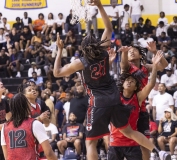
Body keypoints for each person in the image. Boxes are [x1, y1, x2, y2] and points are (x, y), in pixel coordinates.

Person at [53, 1, 170, 159]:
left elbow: (57, 72)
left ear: (83, 48)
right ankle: (159, 152)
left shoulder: (80, 62)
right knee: (129, 131)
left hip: (98, 101)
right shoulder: (103, 51)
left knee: (90, 142)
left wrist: (60, 50)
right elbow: (108, 28)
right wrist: (100, 6)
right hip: (115, 97)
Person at [117, 42, 168, 160]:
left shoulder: (146, 67)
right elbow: (123, 64)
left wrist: (155, 51)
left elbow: (163, 65)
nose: (131, 52)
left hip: (141, 107)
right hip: (126, 105)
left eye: (134, 50)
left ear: (140, 55)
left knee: (144, 142)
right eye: (130, 52)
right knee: (123, 140)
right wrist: (124, 52)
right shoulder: (127, 66)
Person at [109, 52, 161, 160]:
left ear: (136, 86)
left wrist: (155, 66)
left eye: (132, 81)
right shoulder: (116, 96)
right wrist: (109, 63)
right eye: (127, 80)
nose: (129, 82)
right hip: (115, 142)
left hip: (132, 143)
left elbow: (151, 84)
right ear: (122, 83)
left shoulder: (138, 97)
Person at [1, 93, 57, 160]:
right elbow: (49, 153)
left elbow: (6, 155)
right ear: (26, 106)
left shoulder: (4, 127)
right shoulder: (34, 124)